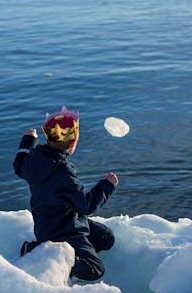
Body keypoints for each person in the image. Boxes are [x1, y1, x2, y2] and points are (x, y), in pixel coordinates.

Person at [13, 106, 119, 282]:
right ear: (73, 143)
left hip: (59, 221)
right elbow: (87, 205)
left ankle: (75, 251)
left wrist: (27, 141)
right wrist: (107, 186)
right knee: (96, 269)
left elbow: (19, 165)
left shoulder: (34, 160)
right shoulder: (63, 173)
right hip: (63, 231)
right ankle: (44, 253)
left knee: (106, 238)